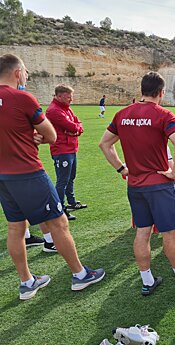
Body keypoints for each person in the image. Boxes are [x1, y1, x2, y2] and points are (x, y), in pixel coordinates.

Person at [0, 54, 104, 300]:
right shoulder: (21, 97)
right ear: (17, 72)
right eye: (25, 72)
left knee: (15, 227)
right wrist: (36, 137)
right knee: (59, 222)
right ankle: (80, 275)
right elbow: (51, 135)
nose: (26, 76)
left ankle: (27, 282)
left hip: (3, 177)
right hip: (27, 171)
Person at [99, 71, 175, 296]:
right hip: (159, 184)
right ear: (161, 93)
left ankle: (147, 280)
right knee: (170, 233)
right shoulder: (163, 115)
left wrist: (121, 168)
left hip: (135, 185)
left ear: (142, 91)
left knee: (143, 232)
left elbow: (105, 144)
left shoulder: (122, 114)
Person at [46, 85, 87, 221]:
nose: (71, 99)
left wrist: (76, 129)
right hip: (61, 150)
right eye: (68, 97)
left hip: (70, 148)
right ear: (59, 96)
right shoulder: (54, 111)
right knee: (63, 180)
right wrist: (75, 129)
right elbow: (71, 126)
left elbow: (78, 124)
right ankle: (60, 208)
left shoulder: (65, 108)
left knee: (71, 177)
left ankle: (72, 202)